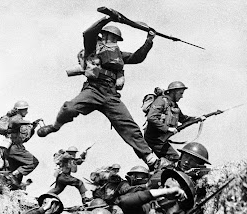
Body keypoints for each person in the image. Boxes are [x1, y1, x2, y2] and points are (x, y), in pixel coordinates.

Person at [37, 11, 159, 170]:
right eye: (111, 37)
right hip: (93, 89)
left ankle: (151, 160)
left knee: (129, 126)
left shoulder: (119, 55)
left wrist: (149, 40)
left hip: (110, 94)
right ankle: (55, 126)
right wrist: (107, 19)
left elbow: (138, 57)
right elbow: (88, 33)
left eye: (116, 39)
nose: (114, 41)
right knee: (70, 107)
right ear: (105, 36)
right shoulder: (92, 48)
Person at [144, 81, 205, 163]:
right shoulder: (161, 101)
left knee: (172, 159)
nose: (182, 96)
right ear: (174, 92)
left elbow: (183, 119)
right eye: (180, 93)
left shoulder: (173, 105)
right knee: (173, 158)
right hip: (154, 138)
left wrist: (197, 118)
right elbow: (151, 117)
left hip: (161, 139)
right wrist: (167, 128)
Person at [0, 100, 41, 189]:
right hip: (15, 147)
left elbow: (24, 137)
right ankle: (11, 175)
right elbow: (16, 121)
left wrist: (33, 126)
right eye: (25, 109)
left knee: (17, 177)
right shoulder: (16, 118)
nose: (27, 111)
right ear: (20, 110)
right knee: (33, 162)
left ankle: (11, 184)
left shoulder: (18, 120)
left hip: (11, 148)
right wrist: (28, 123)